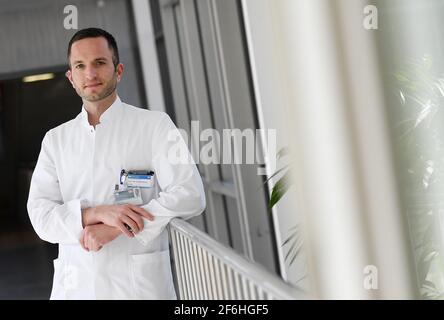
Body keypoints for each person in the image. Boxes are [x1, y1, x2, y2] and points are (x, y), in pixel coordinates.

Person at [27, 28, 206, 300]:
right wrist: (96, 213)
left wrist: (116, 228)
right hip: (76, 286)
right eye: (80, 66)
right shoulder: (56, 140)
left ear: (118, 70)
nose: (90, 74)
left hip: (137, 287)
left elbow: (190, 195)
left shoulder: (154, 126)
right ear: (71, 78)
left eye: (99, 63)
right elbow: (41, 216)